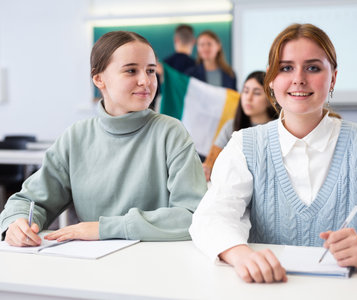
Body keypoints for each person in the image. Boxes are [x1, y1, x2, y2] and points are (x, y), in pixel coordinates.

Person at [189, 23, 357, 283]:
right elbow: (210, 218)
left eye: (313, 68)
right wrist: (239, 254)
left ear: (333, 77)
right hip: (266, 290)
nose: (298, 78)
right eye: (286, 67)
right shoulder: (244, 146)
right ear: (271, 77)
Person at [0, 31, 207, 246]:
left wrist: (104, 229)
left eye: (151, 71)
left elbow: (193, 215)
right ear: (99, 79)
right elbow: (29, 201)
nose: (145, 80)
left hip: (155, 264)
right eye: (131, 71)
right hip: (91, 267)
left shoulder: (171, 132)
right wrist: (16, 223)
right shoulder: (76, 137)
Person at [202, 71, 278, 181]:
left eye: (256, 93)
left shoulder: (279, 128)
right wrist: (206, 169)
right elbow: (210, 163)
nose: (248, 98)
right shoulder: (231, 126)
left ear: (270, 99)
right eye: (245, 91)